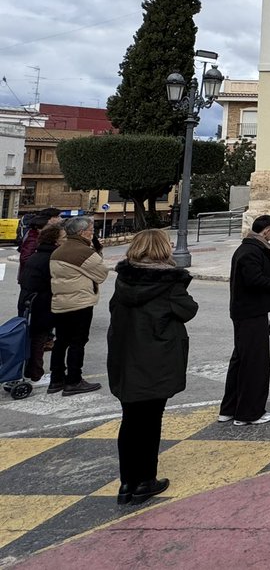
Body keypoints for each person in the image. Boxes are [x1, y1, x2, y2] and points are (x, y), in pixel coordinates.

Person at [107, 228, 198, 505]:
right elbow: (188, 310)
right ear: (162, 250)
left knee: (130, 421)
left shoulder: (123, 280)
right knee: (150, 422)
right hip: (155, 361)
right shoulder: (170, 283)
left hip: (126, 359)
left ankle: (126, 484)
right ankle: (146, 481)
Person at [220, 214, 270, 425]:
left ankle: (230, 409)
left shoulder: (252, 248)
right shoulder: (251, 251)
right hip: (250, 313)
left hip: (246, 312)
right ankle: (249, 413)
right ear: (266, 230)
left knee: (241, 361)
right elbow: (253, 279)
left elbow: (256, 270)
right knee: (254, 363)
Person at [49, 215, 108, 396]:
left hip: (60, 302)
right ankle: (74, 380)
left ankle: (56, 379)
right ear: (82, 232)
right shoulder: (83, 252)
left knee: (61, 341)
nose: (93, 233)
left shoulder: (57, 251)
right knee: (78, 341)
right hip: (80, 302)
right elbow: (102, 274)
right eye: (91, 230)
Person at [18, 225, 62, 382]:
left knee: (34, 337)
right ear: (55, 240)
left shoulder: (37, 255)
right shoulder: (51, 258)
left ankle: (30, 370)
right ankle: (36, 373)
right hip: (41, 303)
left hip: (29, 300)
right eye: (62, 238)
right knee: (39, 339)